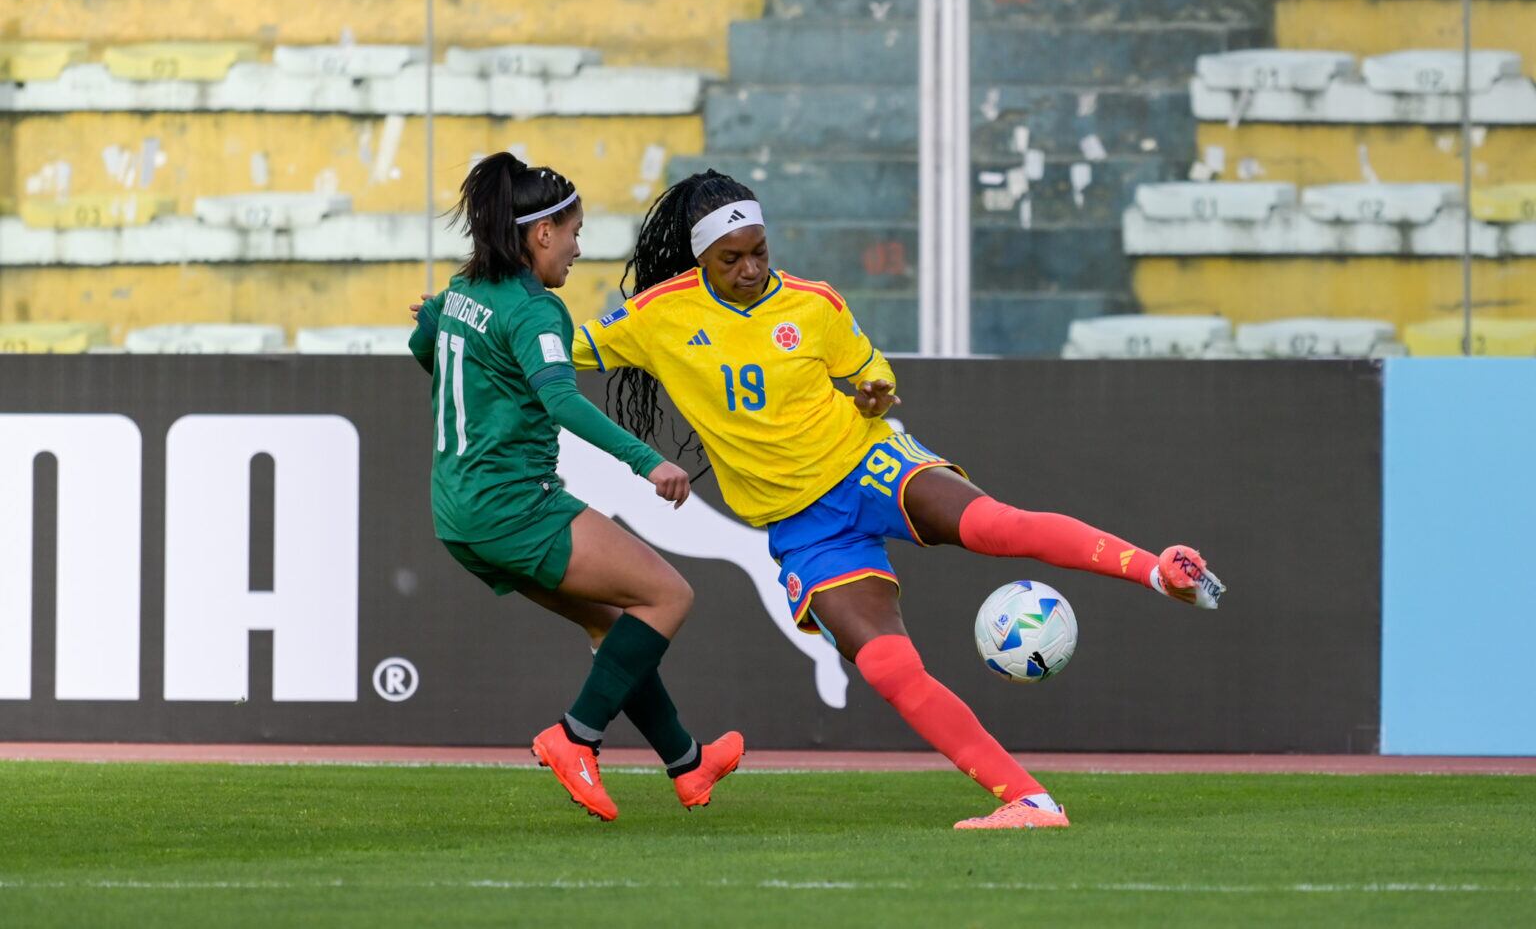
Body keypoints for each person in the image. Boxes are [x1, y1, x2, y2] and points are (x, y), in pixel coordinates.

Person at [569, 169, 1227, 831]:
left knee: (994, 524)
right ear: (700, 259)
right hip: (804, 528)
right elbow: (558, 352)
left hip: (866, 461)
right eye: (731, 258)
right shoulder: (658, 316)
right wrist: (513, 308)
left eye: (760, 251)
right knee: (888, 667)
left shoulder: (814, 303)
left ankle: (1159, 571)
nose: (751, 269)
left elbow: (869, 368)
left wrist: (874, 393)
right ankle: (1031, 801)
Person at [407, 153, 743, 823]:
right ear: (542, 233)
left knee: (609, 623)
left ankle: (687, 763)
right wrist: (648, 462)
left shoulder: (462, 291)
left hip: (459, 513)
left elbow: (425, 347)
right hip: (514, 504)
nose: (578, 248)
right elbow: (561, 401)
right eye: (574, 232)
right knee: (669, 596)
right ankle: (576, 736)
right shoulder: (537, 311)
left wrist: (440, 328)